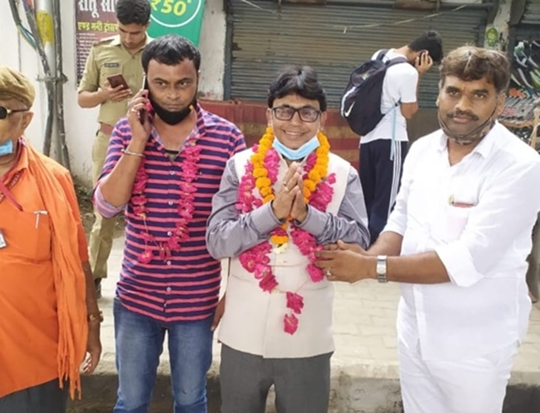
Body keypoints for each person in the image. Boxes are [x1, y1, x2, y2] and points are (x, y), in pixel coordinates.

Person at [316, 46, 540, 413]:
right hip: (415, 332)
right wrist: (368, 255)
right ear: (438, 93)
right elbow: (401, 221)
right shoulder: (421, 151)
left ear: (499, 104)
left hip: (475, 347)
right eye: (453, 92)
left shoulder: (520, 166)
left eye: (478, 95)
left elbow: (466, 261)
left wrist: (371, 269)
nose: (461, 106)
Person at [93, 34, 246, 413]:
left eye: (183, 83)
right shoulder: (128, 131)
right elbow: (107, 205)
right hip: (136, 298)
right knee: (130, 403)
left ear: (197, 80)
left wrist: (232, 295)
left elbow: (241, 225)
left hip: (196, 303)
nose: (174, 94)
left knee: (192, 401)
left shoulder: (227, 139)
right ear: (146, 81)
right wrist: (138, 143)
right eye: (161, 83)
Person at [206, 66, 370, 413]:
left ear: (321, 119)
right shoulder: (238, 166)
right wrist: (272, 212)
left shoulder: (342, 173)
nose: (294, 122)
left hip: (307, 335)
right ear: (269, 115)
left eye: (307, 111)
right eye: (284, 110)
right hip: (242, 331)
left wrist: (307, 217)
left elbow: (359, 242)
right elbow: (217, 241)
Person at [0, 66, 102, 412]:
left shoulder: (54, 181)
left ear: (25, 119)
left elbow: (78, 260)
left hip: (35, 356)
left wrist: (91, 321)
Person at [78, 0, 151, 298]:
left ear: (146, 26)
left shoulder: (162, 52)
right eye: (123, 31)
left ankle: (147, 282)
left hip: (149, 141)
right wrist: (104, 94)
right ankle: (94, 279)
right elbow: (83, 98)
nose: (129, 38)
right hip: (108, 141)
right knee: (103, 213)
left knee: (151, 211)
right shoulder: (101, 50)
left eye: (135, 32)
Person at [359, 30, 443, 245]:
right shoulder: (408, 72)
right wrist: (420, 74)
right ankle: (377, 246)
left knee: (367, 193)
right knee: (386, 199)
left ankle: (363, 239)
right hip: (391, 140)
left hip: (367, 137)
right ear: (423, 55)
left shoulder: (380, 55)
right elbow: (409, 111)